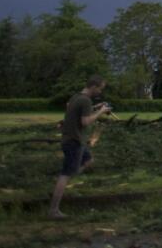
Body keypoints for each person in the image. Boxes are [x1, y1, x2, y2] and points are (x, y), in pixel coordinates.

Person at [49, 75, 111, 218]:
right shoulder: (85, 100)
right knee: (66, 174)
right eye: (100, 89)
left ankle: (61, 186)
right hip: (74, 142)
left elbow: (73, 109)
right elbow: (85, 122)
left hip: (74, 141)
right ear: (94, 87)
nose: (100, 92)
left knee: (88, 161)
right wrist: (101, 112)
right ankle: (53, 210)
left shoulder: (76, 97)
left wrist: (96, 107)